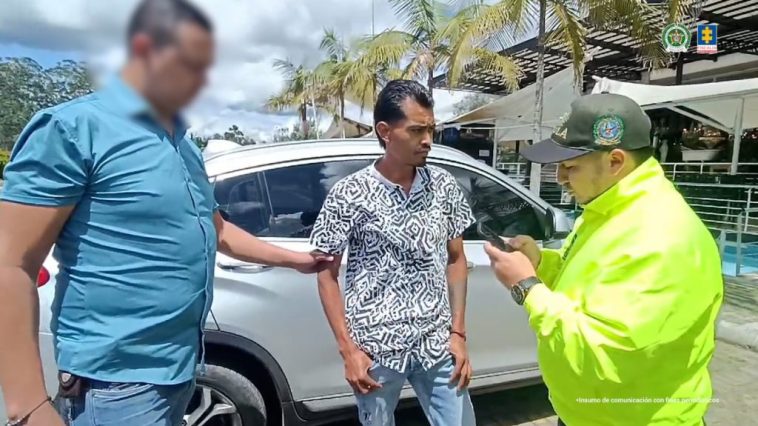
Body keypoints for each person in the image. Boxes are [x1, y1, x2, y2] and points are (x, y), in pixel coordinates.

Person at [0, 1, 330, 425]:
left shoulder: (182, 145)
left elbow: (219, 230)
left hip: (181, 369)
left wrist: (298, 260)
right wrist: (27, 406)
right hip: (113, 385)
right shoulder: (73, 129)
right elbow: (13, 263)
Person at [484, 93, 723, 426]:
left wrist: (528, 287)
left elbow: (605, 355)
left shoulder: (662, 237)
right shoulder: (604, 209)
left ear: (615, 162)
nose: (560, 179)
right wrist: (542, 264)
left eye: (570, 166)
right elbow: (593, 283)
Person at [309, 80, 477, 426]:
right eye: (416, 130)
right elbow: (326, 274)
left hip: (436, 342)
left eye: (430, 129)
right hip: (375, 348)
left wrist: (458, 335)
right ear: (384, 131)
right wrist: (349, 351)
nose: (428, 140)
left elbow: (456, 259)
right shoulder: (349, 194)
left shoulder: (443, 186)